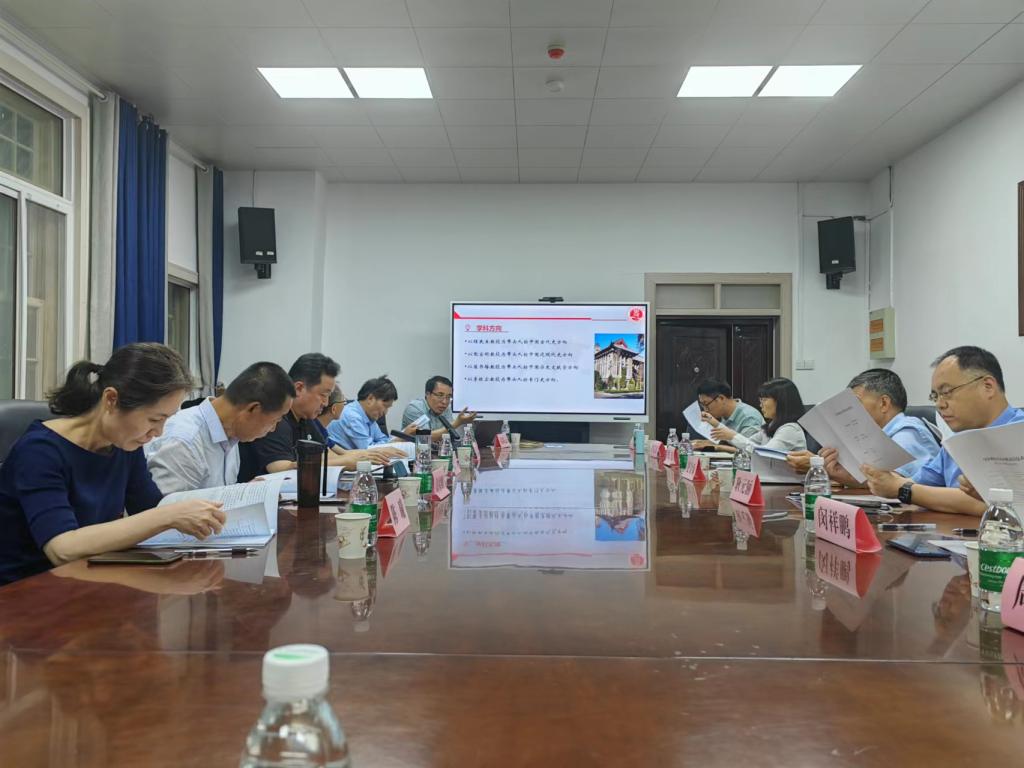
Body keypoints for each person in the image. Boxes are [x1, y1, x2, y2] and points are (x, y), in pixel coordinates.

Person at [0, 343, 227, 586]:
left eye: (166, 420)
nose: (159, 432)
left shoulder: (123, 446)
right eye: (154, 419)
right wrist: (167, 516)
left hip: (90, 580)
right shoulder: (40, 451)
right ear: (111, 399)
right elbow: (62, 549)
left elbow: (149, 508)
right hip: (26, 591)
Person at [863, 346, 1024, 516]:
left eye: (946, 392)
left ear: (988, 386)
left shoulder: (1018, 432)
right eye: (935, 396)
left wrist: (903, 489)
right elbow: (918, 484)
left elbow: (1002, 506)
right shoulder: (957, 440)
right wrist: (885, 480)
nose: (939, 404)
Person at [237, 355, 400, 482]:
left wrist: (363, 456)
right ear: (299, 388)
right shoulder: (276, 418)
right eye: (323, 395)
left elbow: (327, 455)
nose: (326, 403)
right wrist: (346, 461)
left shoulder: (307, 418)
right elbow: (281, 469)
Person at [145, 362, 296, 494]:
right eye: (275, 420)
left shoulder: (231, 434)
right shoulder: (184, 442)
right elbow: (164, 512)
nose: (273, 429)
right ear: (253, 409)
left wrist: (241, 493)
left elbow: (214, 496)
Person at [786, 369, 940, 482]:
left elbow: (891, 482)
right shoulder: (872, 437)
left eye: (855, 403)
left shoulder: (908, 431)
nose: (850, 411)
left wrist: (819, 466)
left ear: (884, 403)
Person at [709, 377, 807, 454]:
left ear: (781, 402)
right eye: (760, 400)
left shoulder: (790, 429)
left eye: (764, 400)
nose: (761, 405)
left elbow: (765, 454)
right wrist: (728, 435)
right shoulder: (771, 426)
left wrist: (732, 435)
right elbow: (747, 445)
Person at [329, 375, 419, 450]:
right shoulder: (352, 416)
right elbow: (369, 450)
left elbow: (383, 439)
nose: (385, 412)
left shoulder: (369, 417)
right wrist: (401, 438)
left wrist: (400, 437)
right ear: (370, 399)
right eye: (385, 406)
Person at [690, 379, 764, 450]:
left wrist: (715, 447)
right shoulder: (724, 414)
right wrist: (703, 443)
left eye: (706, 404)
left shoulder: (749, 417)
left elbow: (749, 449)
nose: (705, 409)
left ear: (721, 398)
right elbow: (728, 442)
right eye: (702, 405)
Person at [401, 375, 478, 442]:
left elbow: (450, 437)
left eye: (448, 397)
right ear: (428, 394)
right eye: (440, 395)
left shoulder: (446, 409)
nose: (445, 402)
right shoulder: (415, 408)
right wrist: (457, 422)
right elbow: (424, 438)